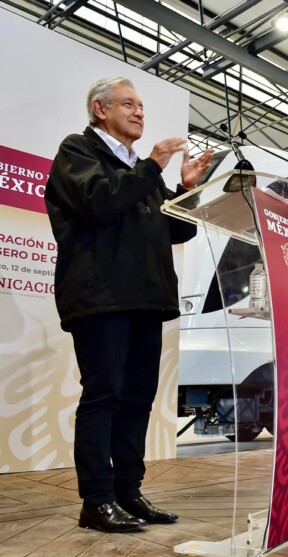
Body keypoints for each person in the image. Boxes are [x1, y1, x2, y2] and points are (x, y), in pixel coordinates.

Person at [45, 77, 213, 533]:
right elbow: (99, 202)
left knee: (138, 399)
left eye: (141, 106)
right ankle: (96, 501)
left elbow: (177, 230)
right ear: (100, 110)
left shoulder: (140, 169)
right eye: (128, 104)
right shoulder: (77, 152)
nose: (139, 112)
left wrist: (184, 189)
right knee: (104, 396)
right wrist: (155, 167)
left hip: (144, 300)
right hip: (102, 298)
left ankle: (128, 492)